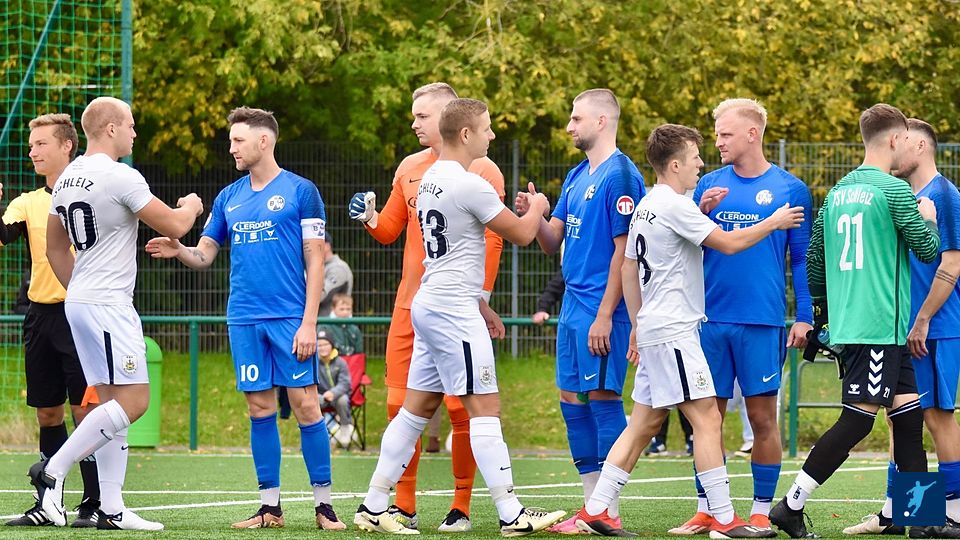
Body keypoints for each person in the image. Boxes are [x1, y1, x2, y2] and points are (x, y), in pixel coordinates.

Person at [573, 123, 802, 538]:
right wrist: (773, 222)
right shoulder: (673, 205)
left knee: (642, 425)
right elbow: (728, 244)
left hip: (657, 328)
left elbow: (630, 267)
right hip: (675, 331)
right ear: (675, 164)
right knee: (708, 419)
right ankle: (725, 519)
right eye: (695, 157)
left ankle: (596, 509)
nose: (701, 163)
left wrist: (638, 324)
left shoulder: (649, 203)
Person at [354, 97, 564, 536]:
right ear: (466, 134)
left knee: (414, 412)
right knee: (485, 409)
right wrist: (539, 207)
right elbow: (522, 235)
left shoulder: (431, 177)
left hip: (431, 303)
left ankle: (373, 505)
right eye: (486, 128)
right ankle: (511, 513)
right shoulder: (469, 183)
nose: (492, 135)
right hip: (453, 310)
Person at [144, 106, 346, 531]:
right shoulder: (228, 197)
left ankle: (324, 506)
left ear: (263, 141)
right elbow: (205, 254)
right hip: (244, 319)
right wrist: (180, 250)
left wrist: (310, 322)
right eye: (231, 140)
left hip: (290, 318)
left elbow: (315, 260)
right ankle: (270, 508)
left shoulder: (301, 191)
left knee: (307, 405)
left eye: (238, 140)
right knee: (259, 407)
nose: (232, 147)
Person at [27, 96, 204, 531]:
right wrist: (193, 205)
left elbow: (54, 247)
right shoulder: (120, 175)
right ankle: (54, 469)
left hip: (81, 301)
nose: (134, 132)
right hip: (108, 304)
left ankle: (112, 507)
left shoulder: (67, 179)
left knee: (109, 403)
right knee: (134, 401)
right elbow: (176, 225)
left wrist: (81, 290)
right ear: (110, 128)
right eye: (130, 125)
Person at [770, 104, 941, 539]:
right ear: (894, 139)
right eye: (904, 139)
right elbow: (927, 250)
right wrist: (929, 219)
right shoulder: (895, 191)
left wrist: (826, 311)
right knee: (857, 421)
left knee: (909, 419)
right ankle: (790, 505)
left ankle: (920, 519)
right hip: (878, 325)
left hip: (869, 326)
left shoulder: (838, 191)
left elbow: (814, 261)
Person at [349, 82, 505, 532]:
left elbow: (494, 239)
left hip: (455, 304)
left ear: (449, 118)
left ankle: (461, 506)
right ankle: (401, 507)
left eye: (422, 115)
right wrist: (369, 217)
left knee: (462, 408)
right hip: (412, 303)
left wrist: (482, 300)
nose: (414, 123)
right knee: (401, 404)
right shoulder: (410, 167)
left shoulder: (482, 169)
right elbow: (390, 230)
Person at [669, 98, 813, 534]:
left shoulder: (790, 189)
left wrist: (804, 315)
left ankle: (761, 510)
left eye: (725, 134)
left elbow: (801, 259)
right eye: (716, 134)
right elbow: (681, 245)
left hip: (762, 321)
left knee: (762, 419)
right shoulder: (706, 185)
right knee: (705, 419)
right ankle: (708, 509)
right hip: (708, 320)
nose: (717, 142)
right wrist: (700, 211)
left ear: (752, 134)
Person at [517, 88, 644, 533]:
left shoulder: (621, 176)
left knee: (604, 398)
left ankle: (608, 508)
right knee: (571, 399)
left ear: (601, 122)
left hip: (600, 308)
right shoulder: (576, 174)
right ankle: (591, 505)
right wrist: (537, 214)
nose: (569, 126)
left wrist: (606, 314)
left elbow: (624, 252)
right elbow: (552, 241)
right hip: (572, 307)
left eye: (576, 118)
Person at [842, 119, 960, 537]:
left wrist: (923, 318)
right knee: (901, 418)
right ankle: (899, 511)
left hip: (935, 328)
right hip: (901, 329)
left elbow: (952, 264)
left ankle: (953, 512)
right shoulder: (904, 196)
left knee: (937, 417)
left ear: (921, 147)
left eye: (904, 140)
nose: (895, 147)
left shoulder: (944, 195)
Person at [3, 113, 101, 528]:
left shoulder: (93, 192)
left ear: (67, 146)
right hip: (40, 318)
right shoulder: (26, 202)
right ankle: (49, 503)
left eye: (41, 144)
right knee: (48, 413)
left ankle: (96, 503)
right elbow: (4, 234)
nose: (32, 152)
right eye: (31, 145)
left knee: (87, 412)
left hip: (81, 314)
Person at [316, 329, 355, 448]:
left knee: (342, 400)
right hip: (321, 398)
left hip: (338, 396)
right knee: (309, 401)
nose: (322, 348)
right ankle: (315, 435)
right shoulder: (314, 363)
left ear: (332, 345)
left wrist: (333, 393)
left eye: (325, 344)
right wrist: (322, 397)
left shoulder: (340, 362)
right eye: (319, 345)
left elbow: (345, 383)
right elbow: (311, 385)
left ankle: (345, 429)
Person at [318, 233, 353, 317]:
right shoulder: (320, 266)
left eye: (315, 244)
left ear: (327, 246)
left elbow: (320, 296)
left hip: (334, 322)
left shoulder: (338, 268)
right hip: (322, 321)